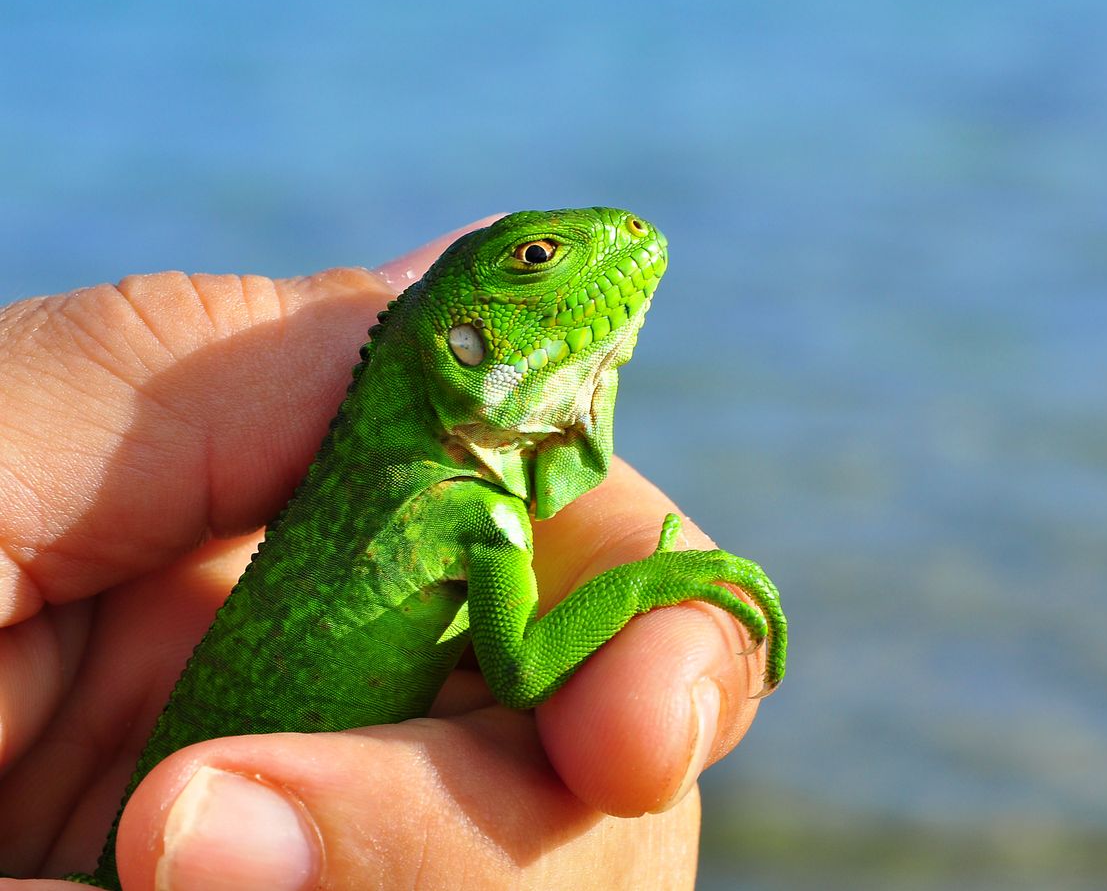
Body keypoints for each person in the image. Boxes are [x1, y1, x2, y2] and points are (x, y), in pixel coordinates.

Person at [0, 218, 772, 890]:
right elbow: (527, 671)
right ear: (462, 341)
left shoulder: (427, 496)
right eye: (536, 258)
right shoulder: (463, 512)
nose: (628, 238)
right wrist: (649, 584)